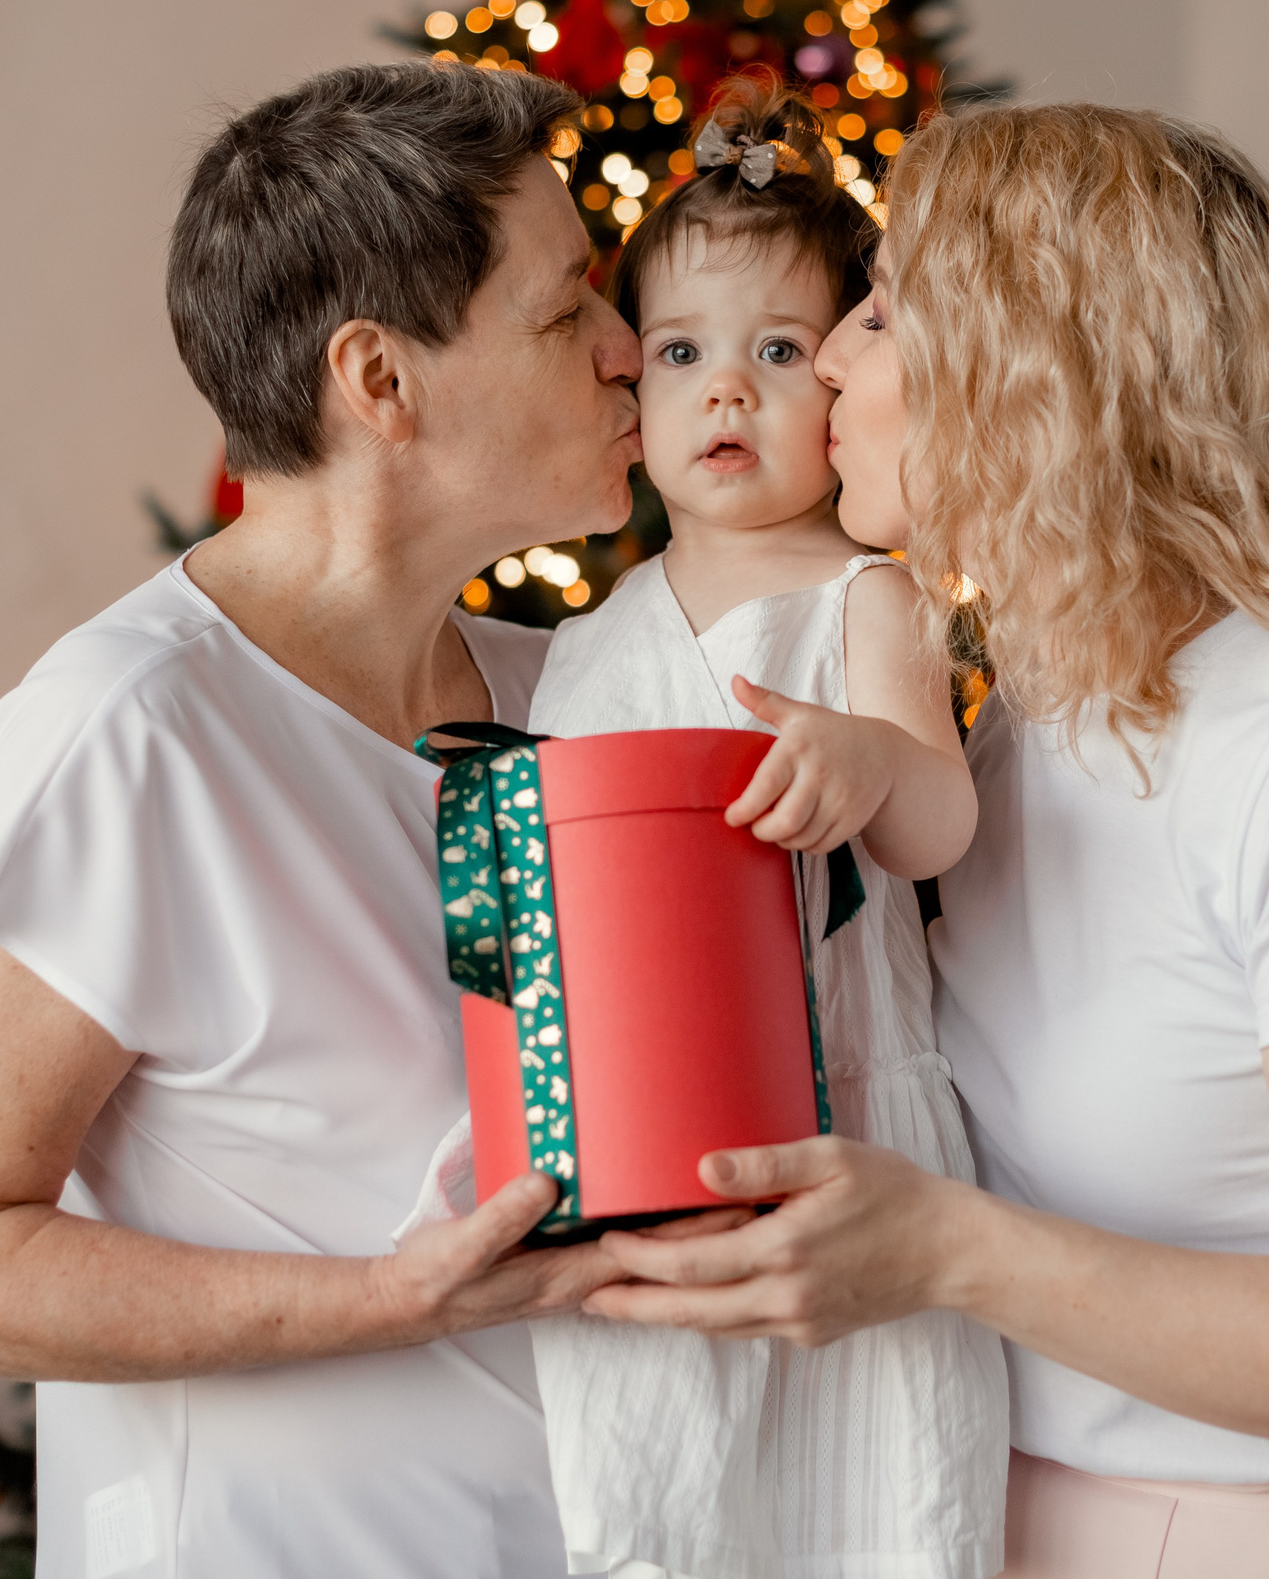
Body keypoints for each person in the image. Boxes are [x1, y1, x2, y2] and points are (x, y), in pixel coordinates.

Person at [586, 104, 1269, 1579]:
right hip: (986, 1516)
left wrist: (943, 1248)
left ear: (1038, 370)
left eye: (881, 313)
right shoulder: (1029, 717)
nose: (827, 358)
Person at [0, 61, 645, 1578]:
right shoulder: (121, 732)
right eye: (566, 314)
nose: (628, 349)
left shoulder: (581, 696)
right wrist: (395, 1300)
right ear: (381, 381)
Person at [476, 82, 1008, 1579]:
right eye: (683, 353)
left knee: (867, 1488)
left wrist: (872, 762)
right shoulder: (589, 639)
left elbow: (942, 826)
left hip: (847, 1106)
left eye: (779, 352)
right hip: (642, 1121)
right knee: (660, 1487)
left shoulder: (866, 599)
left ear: (842, 382)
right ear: (631, 389)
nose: (728, 393)